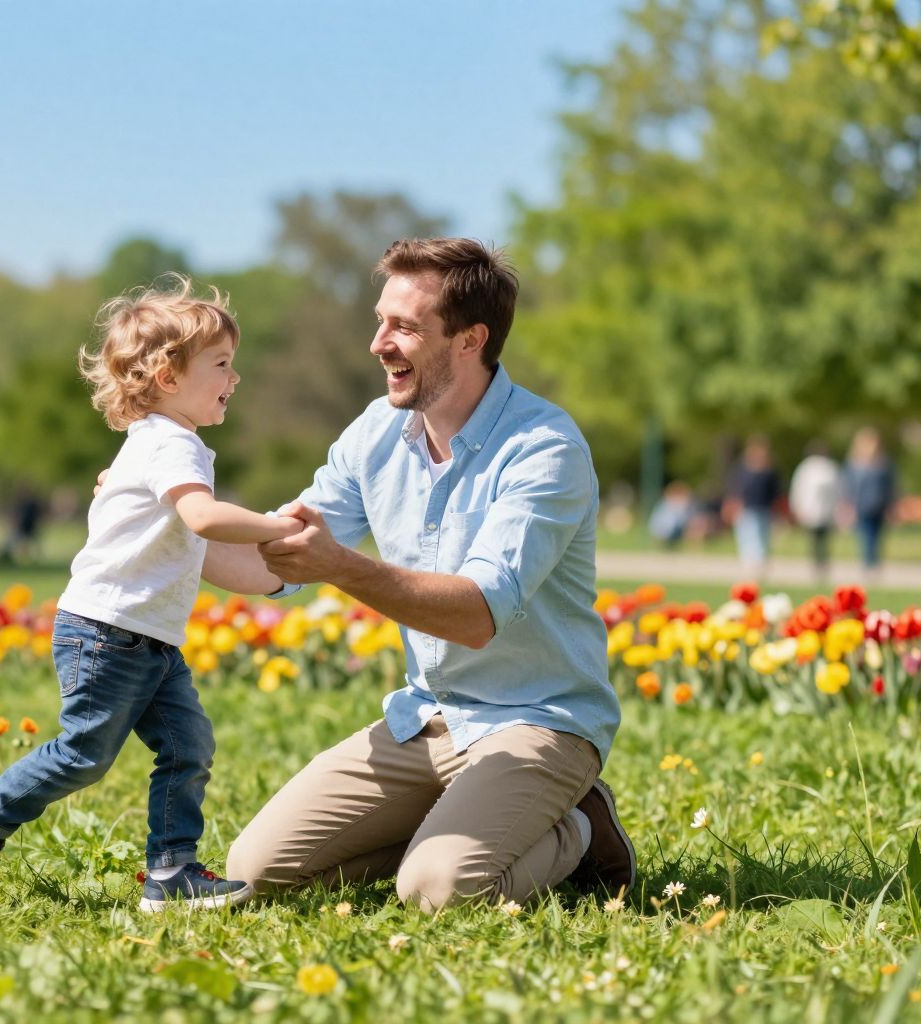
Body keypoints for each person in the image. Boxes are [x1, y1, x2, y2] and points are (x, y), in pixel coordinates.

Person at [206, 238, 634, 912]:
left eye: (404, 326)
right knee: (253, 871)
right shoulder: (376, 432)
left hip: (538, 722)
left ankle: (581, 829)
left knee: (438, 890)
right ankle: (453, 829)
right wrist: (168, 529)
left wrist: (341, 566)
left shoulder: (543, 448)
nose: (378, 344)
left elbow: (476, 616)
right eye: (381, 321)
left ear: (470, 340)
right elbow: (279, 556)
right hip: (427, 722)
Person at [0, 277, 301, 911]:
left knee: (189, 746)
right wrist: (282, 525)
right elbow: (206, 521)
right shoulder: (171, 444)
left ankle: (170, 873)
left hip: (147, 640)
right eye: (221, 364)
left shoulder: (159, 444)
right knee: (85, 753)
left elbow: (195, 541)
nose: (233, 378)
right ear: (166, 375)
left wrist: (283, 568)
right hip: (106, 633)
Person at [843, 427, 896, 575]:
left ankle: (873, 560)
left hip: (879, 504)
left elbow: (890, 486)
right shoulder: (855, 463)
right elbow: (850, 486)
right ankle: (868, 561)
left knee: (877, 534)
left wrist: (892, 504)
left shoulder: (883, 463)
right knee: (865, 533)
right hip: (863, 505)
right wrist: (848, 504)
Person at [726, 435, 780, 578]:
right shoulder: (743, 470)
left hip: (763, 508)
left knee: (762, 538)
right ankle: (750, 565)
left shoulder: (768, 472)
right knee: (748, 537)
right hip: (747, 509)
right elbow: (735, 489)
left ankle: (760, 565)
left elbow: (774, 492)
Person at [789, 441, 842, 583]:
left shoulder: (825, 468)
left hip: (822, 511)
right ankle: (817, 564)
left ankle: (821, 564)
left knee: (821, 540)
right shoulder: (813, 469)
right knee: (816, 540)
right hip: (813, 511)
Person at [648, 481, 694, 548]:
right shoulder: (669, 506)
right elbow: (671, 523)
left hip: (664, 529)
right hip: (665, 530)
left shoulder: (664, 504)